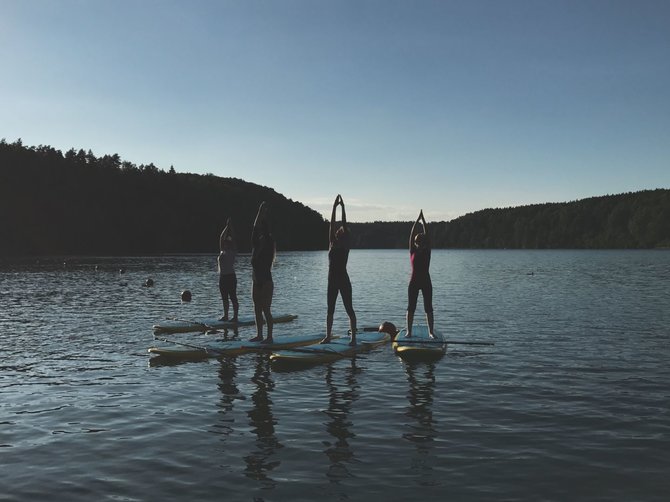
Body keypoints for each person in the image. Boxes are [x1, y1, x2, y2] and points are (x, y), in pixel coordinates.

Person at [321, 194, 357, 345]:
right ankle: (328, 336)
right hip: (332, 281)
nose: (339, 230)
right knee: (330, 310)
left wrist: (342, 208)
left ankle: (353, 339)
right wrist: (334, 207)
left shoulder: (345, 245)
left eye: (342, 229)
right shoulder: (332, 243)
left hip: (343, 280)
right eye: (339, 230)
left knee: (349, 309)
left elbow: (343, 222)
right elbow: (331, 225)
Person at [249, 202, 275, 343]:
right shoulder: (256, 243)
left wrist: (262, 215)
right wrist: (259, 211)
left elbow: (258, 226)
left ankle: (269, 337)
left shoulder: (269, 243)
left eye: (261, 229)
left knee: (266, 309)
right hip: (255, 280)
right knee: (257, 309)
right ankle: (259, 335)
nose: (258, 231)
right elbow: (255, 226)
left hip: (266, 281)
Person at [406, 210, 434, 338]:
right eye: (417, 241)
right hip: (414, 281)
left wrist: (424, 222)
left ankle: (431, 332)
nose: (419, 243)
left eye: (421, 241)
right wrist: (417, 221)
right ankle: (409, 332)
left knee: (428, 307)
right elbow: (411, 234)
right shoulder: (412, 251)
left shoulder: (427, 251)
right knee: (411, 307)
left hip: (426, 281)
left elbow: (427, 235)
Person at [218, 217, 239, 322]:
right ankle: (225, 316)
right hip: (222, 277)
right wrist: (226, 227)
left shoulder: (233, 251)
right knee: (225, 298)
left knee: (233, 297)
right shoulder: (222, 251)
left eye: (228, 242)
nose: (226, 243)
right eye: (226, 242)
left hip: (230, 277)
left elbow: (234, 238)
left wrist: (231, 227)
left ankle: (235, 317)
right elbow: (221, 237)